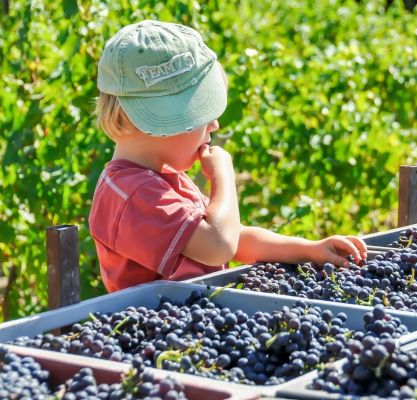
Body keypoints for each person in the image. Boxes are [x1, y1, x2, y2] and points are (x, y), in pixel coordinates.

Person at [89, 20, 367, 292]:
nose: (214, 125)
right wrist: (223, 175)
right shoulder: (131, 194)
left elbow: (236, 238)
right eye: (201, 115)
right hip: (165, 331)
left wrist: (309, 250)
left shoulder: (161, 177)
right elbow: (219, 246)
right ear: (157, 125)